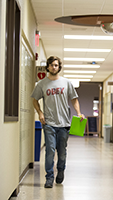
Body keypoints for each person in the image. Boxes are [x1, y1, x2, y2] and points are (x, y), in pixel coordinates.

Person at [31, 56, 84, 188]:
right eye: (51, 65)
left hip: (64, 124)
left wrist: (78, 113)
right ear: (47, 67)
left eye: (56, 65)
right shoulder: (42, 84)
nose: (54, 67)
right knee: (50, 151)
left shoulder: (66, 83)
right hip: (49, 123)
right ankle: (49, 177)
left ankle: (60, 170)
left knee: (62, 151)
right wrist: (40, 112)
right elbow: (34, 100)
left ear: (59, 67)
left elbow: (74, 99)